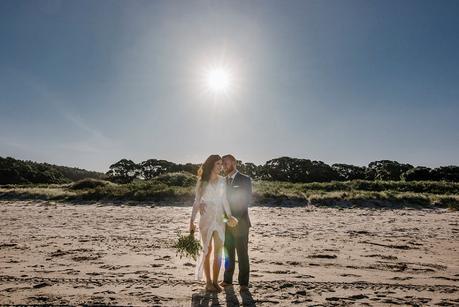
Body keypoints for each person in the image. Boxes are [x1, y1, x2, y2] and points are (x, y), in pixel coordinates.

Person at [199, 154, 252, 292]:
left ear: (234, 163)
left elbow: (245, 201)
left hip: (240, 222)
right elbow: (216, 198)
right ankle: (227, 280)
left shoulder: (245, 179)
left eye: (226, 163)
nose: (224, 166)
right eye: (222, 164)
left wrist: (235, 218)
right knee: (228, 252)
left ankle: (243, 283)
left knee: (242, 253)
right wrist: (202, 202)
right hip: (224, 222)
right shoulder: (222, 180)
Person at [189, 154, 238, 292]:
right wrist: (191, 221)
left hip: (219, 219)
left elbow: (225, 201)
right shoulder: (202, 181)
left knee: (218, 252)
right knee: (206, 250)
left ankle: (215, 281)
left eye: (221, 164)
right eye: (218, 164)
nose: (221, 167)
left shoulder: (223, 181)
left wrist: (229, 216)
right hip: (205, 219)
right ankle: (208, 282)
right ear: (211, 165)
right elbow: (196, 201)